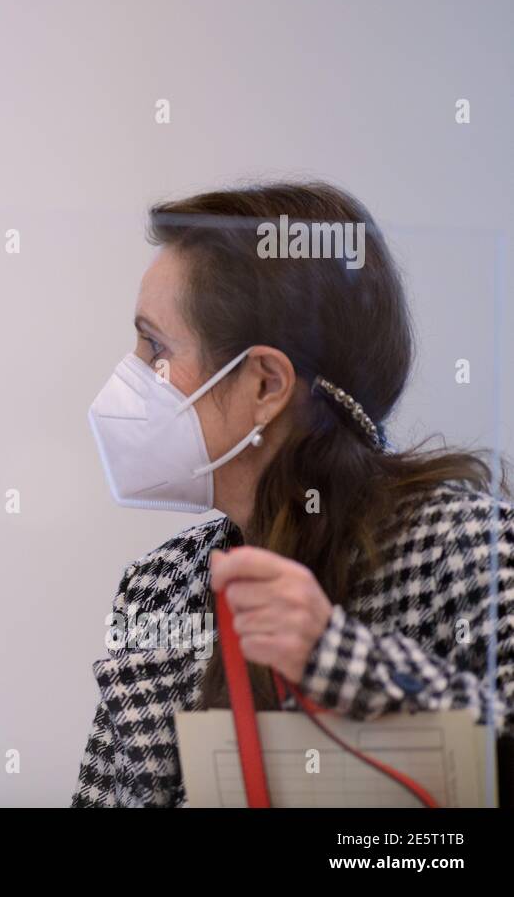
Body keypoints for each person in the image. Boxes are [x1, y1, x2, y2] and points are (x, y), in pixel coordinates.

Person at [72, 181, 513, 807]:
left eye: (156, 347)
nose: (131, 376)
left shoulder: (466, 546)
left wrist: (335, 658)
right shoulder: (158, 588)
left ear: (265, 385)